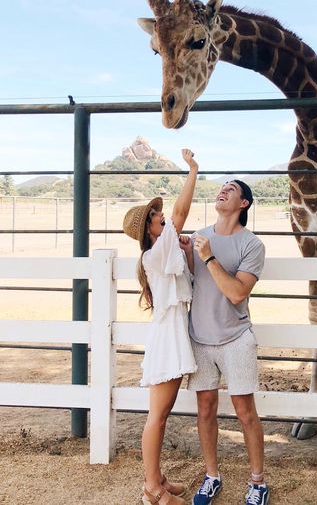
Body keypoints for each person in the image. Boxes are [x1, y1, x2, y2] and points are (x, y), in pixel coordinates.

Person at [122, 148, 198, 505]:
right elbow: (182, 212)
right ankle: (151, 488)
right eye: (156, 216)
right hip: (168, 337)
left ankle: (158, 480)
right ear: (149, 230)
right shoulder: (156, 251)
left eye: (158, 212)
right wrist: (193, 170)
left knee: (161, 415)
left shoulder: (162, 252)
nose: (163, 216)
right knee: (157, 416)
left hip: (171, 332)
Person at [189, 180, 270, 505]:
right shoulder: (197, 236)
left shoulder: (252, 245)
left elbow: (238, 292)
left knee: (245, 412)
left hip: (235, 339)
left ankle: (258, 482)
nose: (223, 190)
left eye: (232, 189)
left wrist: (208, 257)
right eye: (221, 186)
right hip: (199, 339)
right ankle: (212, 476)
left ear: (244, 204)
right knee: (205, 409)